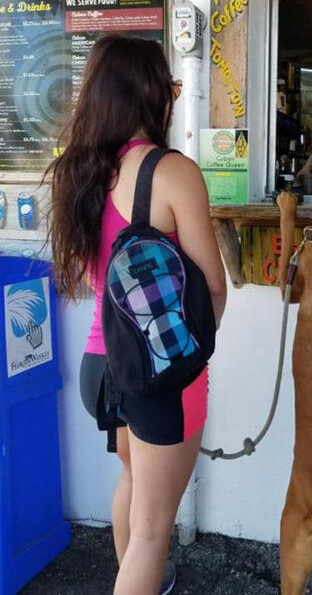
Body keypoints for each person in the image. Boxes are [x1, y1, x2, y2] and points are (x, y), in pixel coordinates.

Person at [46, 35, 227, 595]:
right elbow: (213, 291)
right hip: (156, 375)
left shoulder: (82, 171)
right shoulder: (170, 172)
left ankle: (137, 579)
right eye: (169, 88)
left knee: (132, 483)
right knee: (154, 533)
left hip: (100, 367)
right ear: (152, 95)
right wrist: (186, 364)